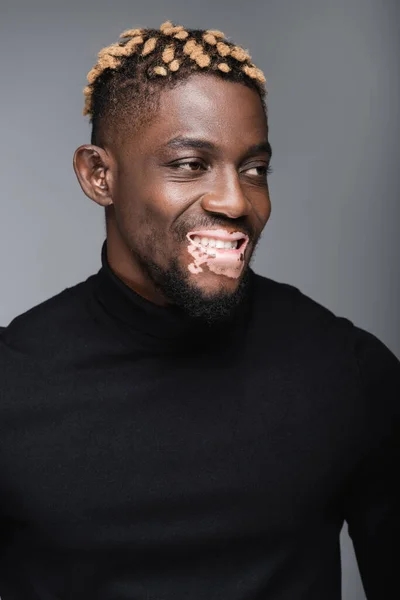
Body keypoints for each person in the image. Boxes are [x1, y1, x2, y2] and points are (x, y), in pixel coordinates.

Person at [0, 20, 398, 600]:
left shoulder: (349, 371)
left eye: (254, 168)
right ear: (99, 174)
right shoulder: (12, 384)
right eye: (189, 164)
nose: (236, 200)